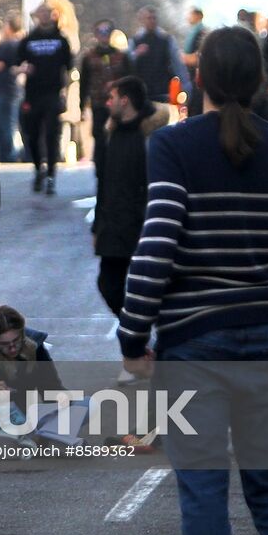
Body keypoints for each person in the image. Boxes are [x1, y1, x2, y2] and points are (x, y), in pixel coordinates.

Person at [118, 26, 268, 535]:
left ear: (198, 77)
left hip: (193, 350)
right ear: (260, 81)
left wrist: (133, 335)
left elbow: (157, 244)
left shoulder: (172, 145)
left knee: (203, 495)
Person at [91, 77, 168, 382]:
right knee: (109, 286)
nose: (106, 102)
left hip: (142, 228)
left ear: (125, 100)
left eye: (111, 97)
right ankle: (138, 346)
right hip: (113, 228)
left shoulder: (152, 136)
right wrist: (98, 223)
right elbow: (103, 182)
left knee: (150, 292)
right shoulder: (109, 134)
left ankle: (145, 354)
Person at [0, 305, 86, 449]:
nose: (12, 348)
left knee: (88, 404)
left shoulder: (34, 345)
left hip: (25, 417)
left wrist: (61, 398)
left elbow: (51, 387)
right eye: (5, 344)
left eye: (16, 341)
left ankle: (40, 438)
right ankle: (22, 440)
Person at [18, 4, 73, 195]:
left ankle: (51, 174)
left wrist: (66, 93)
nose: (43, 17)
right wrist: (22, 69)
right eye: (40, 14)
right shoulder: (29, 39)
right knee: (31, 134)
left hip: (52, 93)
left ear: (52, 16)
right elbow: (16, 64)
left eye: (46, 13)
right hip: (32, 94)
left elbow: (69, 68)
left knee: (51, 134)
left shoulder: (61, 40)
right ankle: (37, 168)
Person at [81, 19, 132, 165]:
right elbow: (84, 82)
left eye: (107, 31)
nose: (104, 35)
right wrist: (81, 106)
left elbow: (130, 79)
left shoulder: (121, 57)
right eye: (100, 31)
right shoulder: (88, 57)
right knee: (99, 139)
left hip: (119, 106)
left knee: (118, 137)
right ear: (96, 34)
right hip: (98, 104)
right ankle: (100, 176)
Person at [130, 6, 188, 105]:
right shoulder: (134, 41)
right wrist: (136, 54)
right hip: (142, 92)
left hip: (162, 91)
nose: (152, 21)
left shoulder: (166, 40)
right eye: (149, 18)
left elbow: (177, 64)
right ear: (142, 20)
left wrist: (185, 85)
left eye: (154, 18)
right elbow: (127, 64)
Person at [0, 23, 21, 162]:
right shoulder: (13, 46)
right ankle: (5, 153)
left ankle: (7, 154)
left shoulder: (9, 46)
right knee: (3, 124)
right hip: (6, 90)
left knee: (5, 125)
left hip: (4, 90)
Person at [182, 8, 207, 116]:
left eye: (191, 15)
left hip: (197, 79)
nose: (188, 17)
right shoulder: (193, 31)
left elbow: (198, 56)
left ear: (198, 16)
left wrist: (183, 58)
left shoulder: (201, 32)